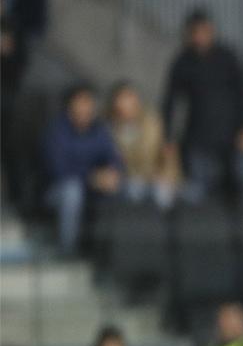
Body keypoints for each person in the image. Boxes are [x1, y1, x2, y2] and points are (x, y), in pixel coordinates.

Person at [161, 8, 243, 203]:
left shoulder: (228, 57)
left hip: (233, 137)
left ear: (211, 31)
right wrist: (168, 137)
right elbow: (170, 102)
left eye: (203, 31)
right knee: (200, 192)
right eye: (194, 32)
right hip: (198, 140)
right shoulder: (182, 62)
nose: (199, 37)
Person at [42, 84, 123, 254]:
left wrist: (111, 173)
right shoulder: (57, 130)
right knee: (72, 191)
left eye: (89, 103)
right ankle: (67, 250)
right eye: (81, 102)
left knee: (121, 187)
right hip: (57, 190)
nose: (86, 107)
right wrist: (91, 177)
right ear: (70, 105)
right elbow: (59, 170)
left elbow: (113, 157)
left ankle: (110, 253)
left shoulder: (99, 129)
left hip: (91, 187)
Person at [108, 81, 179, 208]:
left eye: (129, 98)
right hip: (128, 177)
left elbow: (167, 152)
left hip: (154, 174)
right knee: (134, 189)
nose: (126, 104)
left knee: (163, 192)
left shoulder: (151, 122)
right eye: (122, 99)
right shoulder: (111, 127)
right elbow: (114, 158)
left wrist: (166, 174)